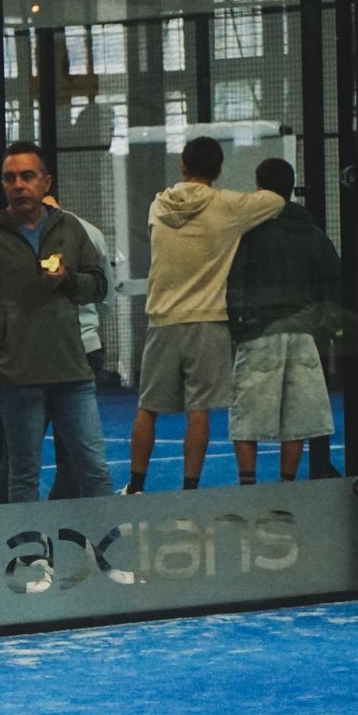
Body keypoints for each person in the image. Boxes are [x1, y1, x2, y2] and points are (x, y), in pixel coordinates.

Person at [0, 141, 113, 504]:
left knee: (94, 469)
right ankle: (26, 542)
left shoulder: (71, 229)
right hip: (16, 378)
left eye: (27, 176)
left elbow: (98, 286)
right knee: (22, 474)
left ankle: (103, 540)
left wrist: (66, 279)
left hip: (73, 374)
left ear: (46, 182)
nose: (18, 185)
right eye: (10, 178)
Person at [125, 136, 284, 494]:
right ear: (218, 170)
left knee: (147, 408)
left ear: (182, 165)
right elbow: (276, 200)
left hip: (162, 320)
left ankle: (135, 485)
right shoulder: (228, 206)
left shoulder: (158, 206)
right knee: (199, 410)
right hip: (208, 320)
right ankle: (190, 488)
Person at [226, 158, 342, 485]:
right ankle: (286, 487)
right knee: (297, 421)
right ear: (291, 188)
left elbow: (235, 282)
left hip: (259, 331)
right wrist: (321, 325)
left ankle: (248, 487)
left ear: (259, 187)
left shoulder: (251, 234)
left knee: (247, 419)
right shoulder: (315, 234)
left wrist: (238, 327)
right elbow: (334, 283)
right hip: (303, 334)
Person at [41, 180, 115, 501]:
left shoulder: (21, 238)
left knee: (22, 457)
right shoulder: (93, 233)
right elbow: (106, 300)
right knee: (77, 454)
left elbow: (101, 291)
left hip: (65, 355)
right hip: (84, 349)